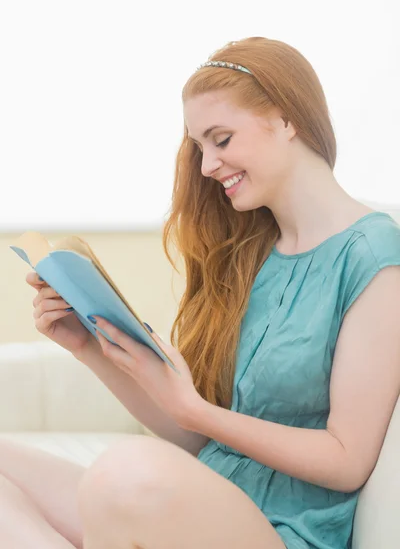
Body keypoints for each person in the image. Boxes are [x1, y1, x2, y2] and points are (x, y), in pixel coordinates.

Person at [1, 36, 400, 549]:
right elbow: (201, 440)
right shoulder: (255, 254)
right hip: (212, 504)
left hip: (281, 532)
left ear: (286, 120)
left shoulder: (374, 255)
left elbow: (347, 459)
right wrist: (89, 348)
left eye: (222, 139)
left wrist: (195, 409)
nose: (208, 166)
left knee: (127, 471)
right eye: (200, 147)